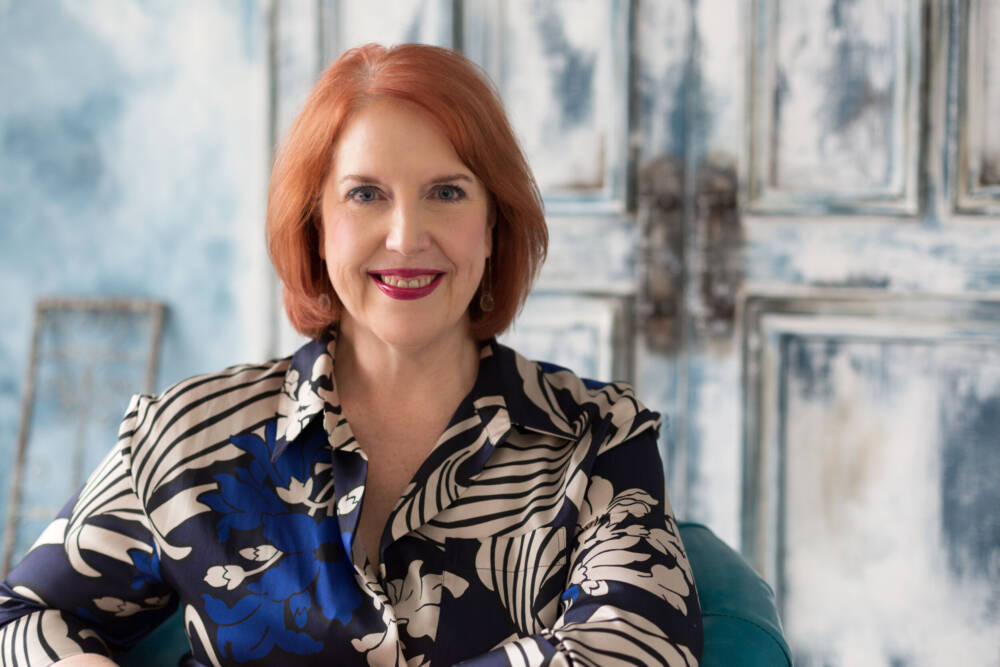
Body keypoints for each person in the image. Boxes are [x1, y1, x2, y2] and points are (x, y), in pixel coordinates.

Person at [0, 43, 702, 666]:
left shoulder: (597, 433)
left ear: (493, 223)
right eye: (365, 194)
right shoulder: (187, 434)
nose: (404, 236)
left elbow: (641, 646)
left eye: (446, 192)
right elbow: (22, 618)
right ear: (317, 228)